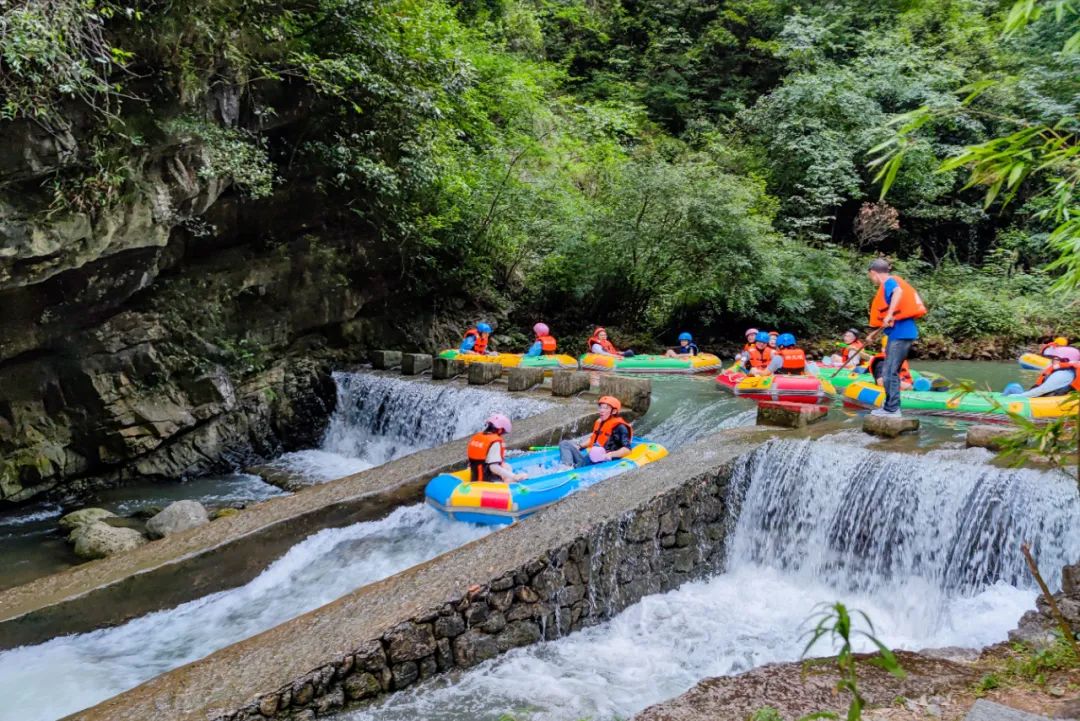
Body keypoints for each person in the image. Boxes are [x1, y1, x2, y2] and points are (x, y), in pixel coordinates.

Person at [867, 258, 926, 417]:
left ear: (873, 273)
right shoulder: (889, 284)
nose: (871, 279)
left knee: (889, 372)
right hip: (899, 334)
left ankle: (892, 409)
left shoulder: (889, 282)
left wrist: (890, 313)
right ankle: (890, 407)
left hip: (901, 335)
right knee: (890, 371)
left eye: (870, 276)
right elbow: (890, 321)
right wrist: (874, 334)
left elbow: (898, 292)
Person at [559, 396, 633, 468]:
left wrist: (609, 455)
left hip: (603, 461)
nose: (601, 410)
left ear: (614, 411)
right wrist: (580, 446)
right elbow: (593, 439)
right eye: (601, 407)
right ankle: (567, 466)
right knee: (564, 443)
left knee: (595, 452)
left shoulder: (620, 427)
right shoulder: (600, 422)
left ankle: (573, 469)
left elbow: (627, 450)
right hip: (591, 457)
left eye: (606, 408)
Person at [467, 414, 527, 483]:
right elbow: (493, 467)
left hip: (475, 477)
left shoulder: (477, 437)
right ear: (500, 430)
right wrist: (514, 476)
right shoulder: (495, 442)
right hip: (487, 481)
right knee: (518, 478)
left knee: (507, 466)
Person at [1009, 348, 1080, 398]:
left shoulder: (1063, 374)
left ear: (1065, 360)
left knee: (1013, 389)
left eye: (1054, 358)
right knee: (1014, 387)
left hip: (1047, 399)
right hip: (1045, 396)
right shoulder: (1065, 372)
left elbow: (1042, 390)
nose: (1051, 360)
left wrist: (1019, 396)